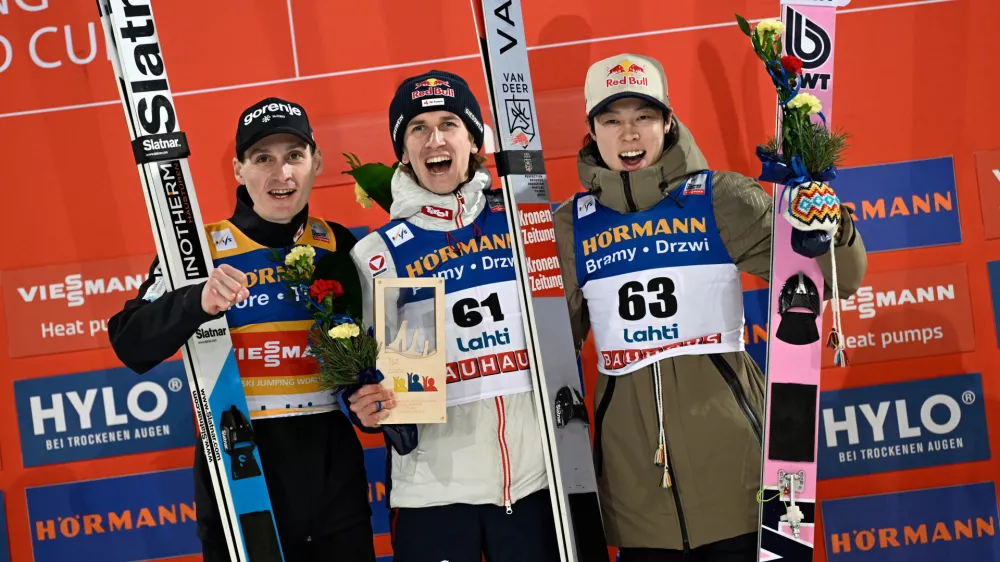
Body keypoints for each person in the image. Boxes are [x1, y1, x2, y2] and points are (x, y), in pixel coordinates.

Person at [552, 54, 869, 562]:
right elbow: (551, 352)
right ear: (591, 132)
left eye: (644, 118)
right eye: (612, 120)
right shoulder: (568, 226)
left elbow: (841, 279)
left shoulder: (720, 198)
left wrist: (832, 227)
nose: (629, 135)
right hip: (635, 493)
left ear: (668, 121)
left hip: (736, 476)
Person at [107, 97, 377, 561]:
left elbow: (377, 360)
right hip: (239, 495)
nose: (281, 174)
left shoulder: (341, 244)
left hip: (337, 503)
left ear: (317, 162)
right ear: (238, 169)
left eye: (294, 155)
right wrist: (197, 300)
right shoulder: (199, 250)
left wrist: (372, 402)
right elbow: (129, 341)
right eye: (262, 159)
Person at [346, 70, 561, 562]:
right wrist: (359, 400)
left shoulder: (526, 224)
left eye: (449, 124)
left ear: (474, 139)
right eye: (417, 128)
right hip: (432, 497)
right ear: (402, 151)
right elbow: (356, 370)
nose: (435, 139)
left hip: (535, 485)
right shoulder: (377, 255)